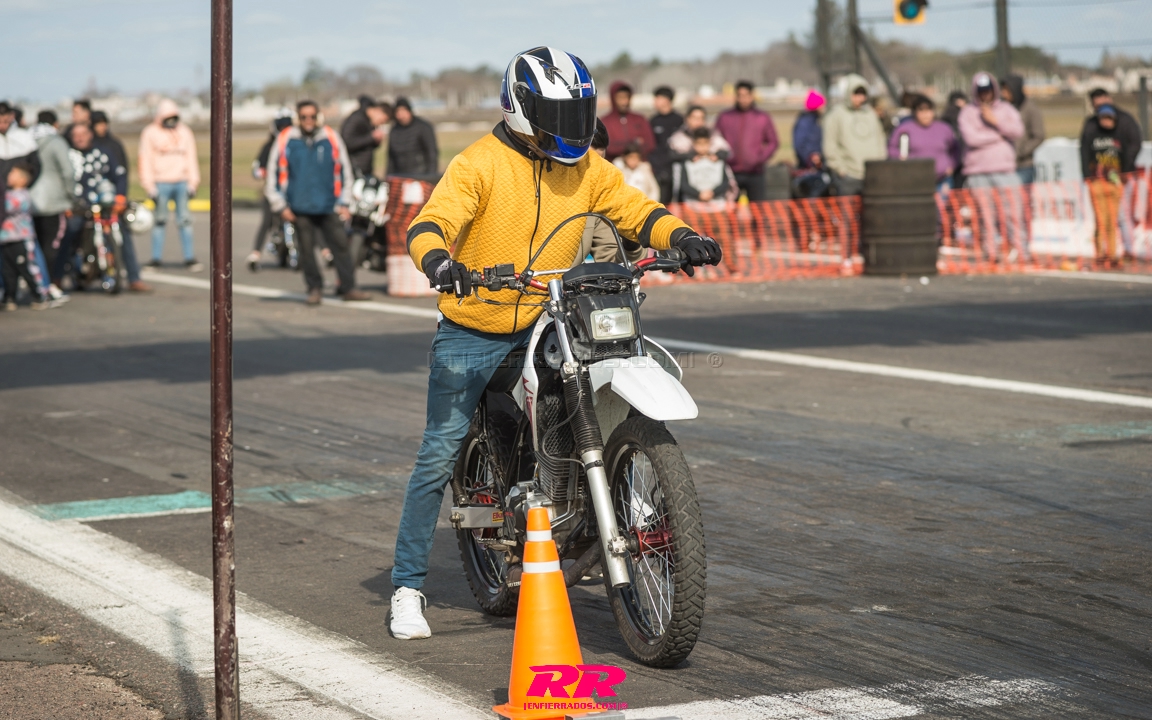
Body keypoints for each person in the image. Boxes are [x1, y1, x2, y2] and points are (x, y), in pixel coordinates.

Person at [390, 46, 721, 640]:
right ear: (522, 109)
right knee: (438, 452)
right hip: (474, 323)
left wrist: (682, 235)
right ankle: (407, 588)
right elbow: (431, 224)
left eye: (577, 116)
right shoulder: (479, 164)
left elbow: (634, 209)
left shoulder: (586, 167)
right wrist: (440, 262)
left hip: (552, 318)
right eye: (558, 116)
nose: (571, 130)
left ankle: (584, 508)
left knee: (591, 399)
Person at [265, 100, 372, 305]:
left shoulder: (330, 137)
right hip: (299, 206)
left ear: (318, 117)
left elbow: (345, 170)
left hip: (329, 204)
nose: (308, 121)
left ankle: (348, 287)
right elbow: (273, 174)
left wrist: (345, 202)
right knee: (306, 250)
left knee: (341, 246)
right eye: (304, 117)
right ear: (298, 118)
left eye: (312, 116)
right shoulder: (286, 139)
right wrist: (280, 205)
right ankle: (314, 288)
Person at [958, 72, 1026, 261]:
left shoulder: (1006, 109)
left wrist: (995, 121)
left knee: (1013, 213)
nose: (985, 94)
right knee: (985, 216)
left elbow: (1017, 131)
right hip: (977, 172)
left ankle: (1021, 250)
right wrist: (998, 137)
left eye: (988, 90)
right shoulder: (967, 112)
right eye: (981, 91)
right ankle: (990, 252)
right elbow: (971, 139)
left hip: (1004, 170)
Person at [139, 99, 201, 271]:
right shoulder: (150, 132)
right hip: (160, 183)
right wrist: (149, 185)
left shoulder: (185, 131)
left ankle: (189, 257)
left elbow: (191, 158)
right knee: (160, 221)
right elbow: (145, 159)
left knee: (185, 221)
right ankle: (156, 258)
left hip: (182, 182)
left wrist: (193, 182)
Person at [91, 110, 150, 292]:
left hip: (113, 199)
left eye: (103, 123)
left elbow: (122, 173)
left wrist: (121, 197)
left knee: (123, 236)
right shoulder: (88, 145)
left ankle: (134, 278)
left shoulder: (114, 145)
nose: (101, 127)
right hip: (91, 200)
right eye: (97, 124)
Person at [579, 120, 645, 266]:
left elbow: (613, 263)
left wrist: (631, 245)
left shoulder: (599, 199)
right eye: (587, 165)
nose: (594, 173)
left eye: (600, 165)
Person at [1081, 104, 1140, 265]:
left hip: (1114, 183)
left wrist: (1124, 174)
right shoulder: (1092, 136)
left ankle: (1112, 254)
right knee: (1101, 219)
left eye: (1109, 118)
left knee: (1112, 220)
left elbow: (1126, 157)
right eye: (1103, 118)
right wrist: (1088, 176)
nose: (1106, 121)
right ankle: (1100, 253)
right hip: (1097, 182)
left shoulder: (1119, 137)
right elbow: (1085, 155)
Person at [30, 110, 76, 295]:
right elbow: (68, 172)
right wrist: (71, 196)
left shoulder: (27, 139)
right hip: (53, 202)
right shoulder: (57, 142)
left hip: (30, 201)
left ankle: (35, 283)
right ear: (55, 124)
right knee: (53, 246)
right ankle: (48, 284)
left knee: (36, 245)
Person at [247, 108, 295, 271]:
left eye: (288, 126)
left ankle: (325, 252)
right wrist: (262, 172)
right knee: (266, 220)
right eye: (281, 126)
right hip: (273, 190)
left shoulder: (297, 144)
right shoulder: (269, 146)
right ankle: (255, 254)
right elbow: (257, 168)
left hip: (293, 190)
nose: (284, 129)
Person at [715, 81, 779, 202]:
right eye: (740, 95)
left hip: (755, 173)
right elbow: (715, 139)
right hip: (731, 172)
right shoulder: (725, 117)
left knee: (758, 209)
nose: (743, 99)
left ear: (752, 96)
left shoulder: (762, 117)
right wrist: (724, 157)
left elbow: (773, 142)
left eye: (746, 95)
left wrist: (760, 159)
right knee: (730, 209)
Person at [822, 74, 886, 196]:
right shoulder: (836, 115)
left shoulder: (870, 114)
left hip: (872, 174)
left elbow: (880, 139)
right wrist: (840, 169)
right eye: (856, 94)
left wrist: (880, 163)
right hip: (848, 176)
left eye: (863, 94)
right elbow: (830, 145)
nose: (860, 98)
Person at [1, 162, 52, 310]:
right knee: (8, 271)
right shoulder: (8, 194)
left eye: (13, 174)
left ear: (23, 179)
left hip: (21, 239)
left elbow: (6, 207)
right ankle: (10, 297)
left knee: (28, 268)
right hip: (6, 239)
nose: (9, 176)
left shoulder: (22, 196)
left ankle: (40, 295)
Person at [888, 95, 961, 192]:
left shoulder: (944, 128)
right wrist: (899, 158)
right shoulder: (904, 129)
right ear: (915, 112)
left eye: (928, 110)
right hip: (914, 180)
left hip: (942, 180)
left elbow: (955, 149)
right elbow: (892, 148)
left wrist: (952, 165)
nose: (925, 114)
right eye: (921, 111)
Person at [672, 127, 738, 207]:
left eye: (705, 143)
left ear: (710, 143)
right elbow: (684, 185)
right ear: (693, 144)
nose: (702, 146)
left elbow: (725, 182)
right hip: (693, 206)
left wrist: (713, 193)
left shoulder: (718, 161)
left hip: (717, 205)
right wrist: (698, 194)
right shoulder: (688, 162)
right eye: (699, 143)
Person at [999, 75, 1045, 185]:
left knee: (1021, 196)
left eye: (1006, 90)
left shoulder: (1030, 109)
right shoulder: (1002, 107)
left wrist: (1021, 152)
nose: (1003, 94)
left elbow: (1039, 135)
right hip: (1003, 165)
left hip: (1023, 166)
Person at [602, 81, 655, 162]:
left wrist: (633, 154)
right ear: (613, 98)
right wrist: (633, 145)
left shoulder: (639, 119)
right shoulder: (605, 122)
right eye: (620, 98)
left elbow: (650, 144)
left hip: (639, 164)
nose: (624, 102)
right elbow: (607, 147)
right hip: (614, 165)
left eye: (626, 97)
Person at [792, 90, 831, 199]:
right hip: (809, 167)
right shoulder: (805, 122)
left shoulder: (816, 121)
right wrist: (810, 158)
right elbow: (800, 144)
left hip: (818, 166)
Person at [386, 98, 438, 179]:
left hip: (420, 175)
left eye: (403, 111)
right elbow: (391, 157)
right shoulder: (394, 130)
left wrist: (431, 176)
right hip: (400, 175)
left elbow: (431, 153)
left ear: (409, 111)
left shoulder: (423, 127)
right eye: (398, 112)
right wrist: (389, 176)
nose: (401, 115)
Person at [341, 96, 392, 178]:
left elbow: (366, 145)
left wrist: (376, 142)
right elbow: (346, 142)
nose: (381, 123)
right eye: (382, 120)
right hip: (353, 170)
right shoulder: (356, 118)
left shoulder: (369, 121)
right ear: (378, 111)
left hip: (365, 170)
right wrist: (371, 137)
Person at [648, 86, 683, 203]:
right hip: (659, 170)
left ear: (666, 100)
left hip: (676, 168)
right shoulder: (653, 121)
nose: (655, 102)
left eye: (657, 98)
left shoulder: (679, 120)